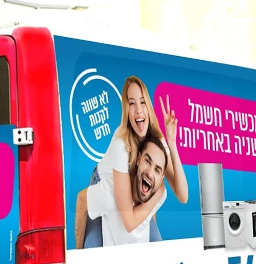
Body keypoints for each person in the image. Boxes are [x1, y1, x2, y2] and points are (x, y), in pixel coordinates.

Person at [76, 75, 189, 248]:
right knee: (94, 249)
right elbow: (129, 221)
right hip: (105, 184)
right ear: (126, 110)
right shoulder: (121, 144)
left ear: (148, 106)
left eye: (142, 102)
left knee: (156, 247)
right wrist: (158, 195)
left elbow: (183, 195)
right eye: (132, 103)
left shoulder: (156, 140)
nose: (138, 110)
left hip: (134, 189)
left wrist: (172, 143)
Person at [76, 135, 169, 248]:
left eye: (157, 170)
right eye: (147, 161)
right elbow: (81, 200)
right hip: (103, 177)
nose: (150, 173)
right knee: (91, 250)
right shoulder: (110, 192)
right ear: (138, 159)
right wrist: (79, 251)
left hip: (133, 181)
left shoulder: (159, 193)